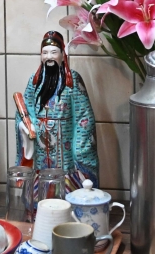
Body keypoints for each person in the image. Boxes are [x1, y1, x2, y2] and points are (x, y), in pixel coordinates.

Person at [15, 32, 99, 193]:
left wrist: (80, 146)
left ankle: (69, 198)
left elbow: (84, 115)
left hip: (64, 146)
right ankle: (39, 201)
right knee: (41, 175)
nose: (49, 57)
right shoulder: (35, 81)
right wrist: (26, 126)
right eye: (45, 53)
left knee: (65, 177)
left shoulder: (72, 80)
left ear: (62, 55)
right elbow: (25, 109)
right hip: (41, 145)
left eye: (53, 52)